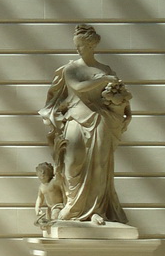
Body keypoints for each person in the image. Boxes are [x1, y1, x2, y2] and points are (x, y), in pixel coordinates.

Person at [39, 24, 132, 225]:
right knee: (73, 163)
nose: (77, 49)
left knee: (99, 166)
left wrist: (127, 111)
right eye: (76, 45)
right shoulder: (72, 69)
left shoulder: (105, 69)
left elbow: (120, 96)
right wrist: (103, 79)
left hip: (101, 121)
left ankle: (96, 210)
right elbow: (78, 86)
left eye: (80, 45)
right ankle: (72, 206)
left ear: (91, 45)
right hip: (77, 119)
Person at [33, 162, 65, 227]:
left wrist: (58, 168)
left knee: (54, 220)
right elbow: (40, 198)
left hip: (58, 206)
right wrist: (37, 207)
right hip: (50, 208)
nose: (42, 174)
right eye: (40, 172)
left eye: (45, 172)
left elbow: (60, 179)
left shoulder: (54, 182)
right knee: (47, 224)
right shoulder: (41, 186)